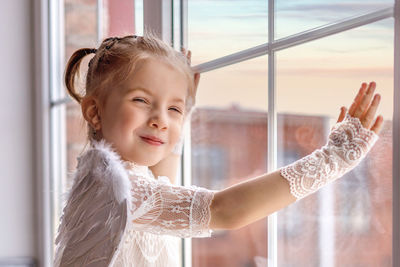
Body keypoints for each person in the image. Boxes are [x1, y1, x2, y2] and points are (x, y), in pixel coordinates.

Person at [53, 31, 383, 267]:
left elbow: (162, 182)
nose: (161, 121)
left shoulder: (109, 173)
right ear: (95, 112)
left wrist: (186, 108)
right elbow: (224, 210)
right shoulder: (114, 186)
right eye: (141, 100)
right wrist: (333, 159)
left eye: (174, 110)